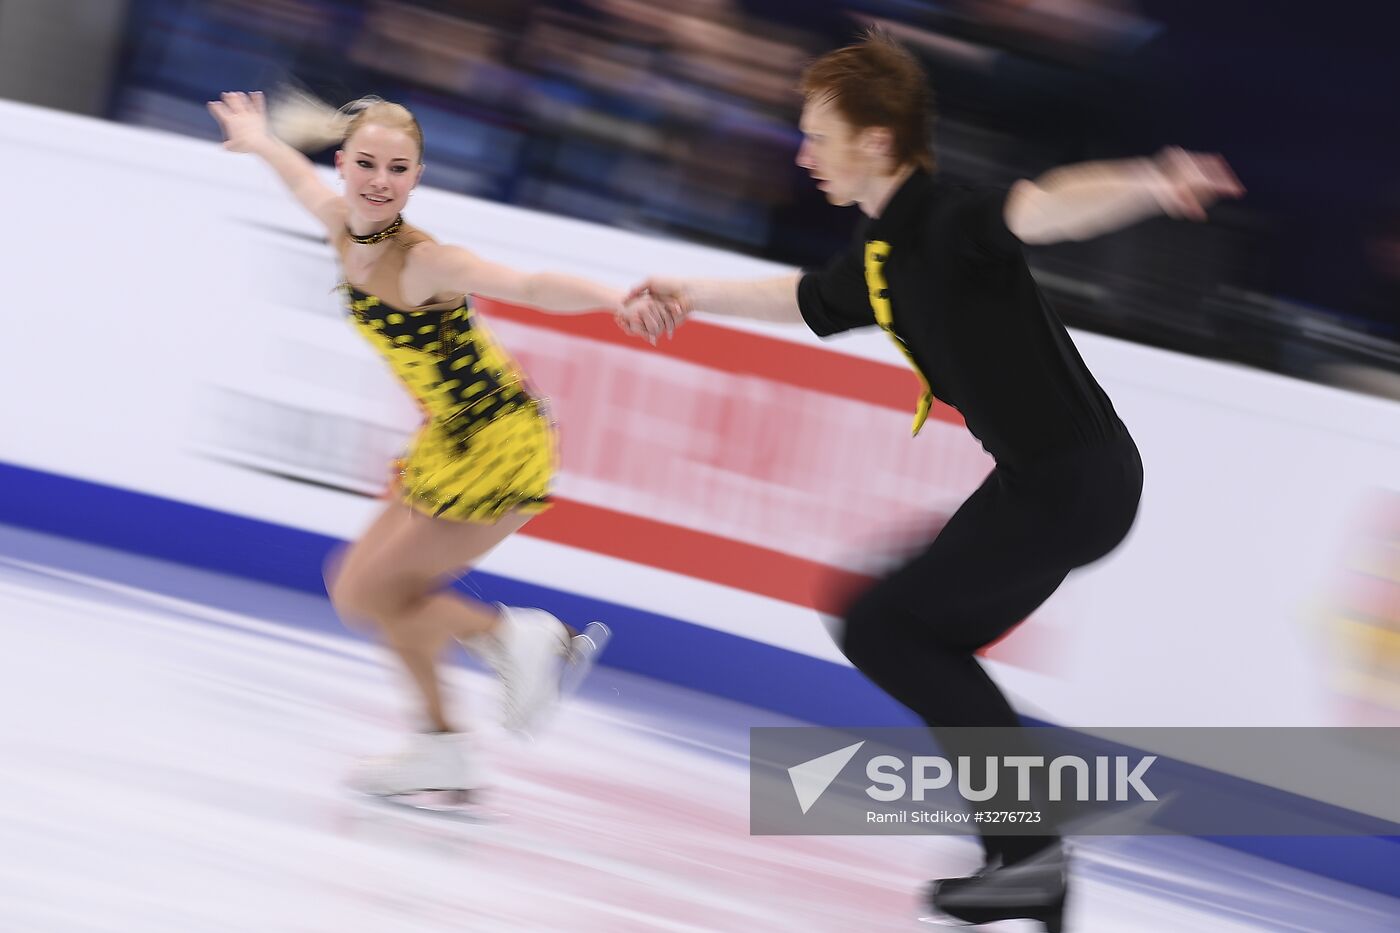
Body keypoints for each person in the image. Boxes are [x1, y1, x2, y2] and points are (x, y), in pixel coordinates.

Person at [621, 30, 1242, 931]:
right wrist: (688, 293)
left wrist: (1151, 180)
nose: (804, 155)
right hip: (1049, 479)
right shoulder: (882, 251)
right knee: (910, 637)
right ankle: (1024, 852)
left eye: (818, 136)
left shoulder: (947, 219)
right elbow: (808, 299)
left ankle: (1030, 845)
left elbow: (1047, 206)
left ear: (876, 141)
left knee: (886, 625)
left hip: (1074, 483)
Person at [207, 90, 658, 801]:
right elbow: (302, 183)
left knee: (383, 591)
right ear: (344, 163)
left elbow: (528, 284)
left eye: (397, 167)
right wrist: (260, 142)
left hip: (499, 439)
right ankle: (443, 744)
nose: (379, 180)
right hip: (450, 437)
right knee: (358, 589)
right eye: (366, 164)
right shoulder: (343, 229)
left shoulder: (425, 260)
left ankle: (521, 637)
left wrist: (613, 299)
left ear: (417, 177)